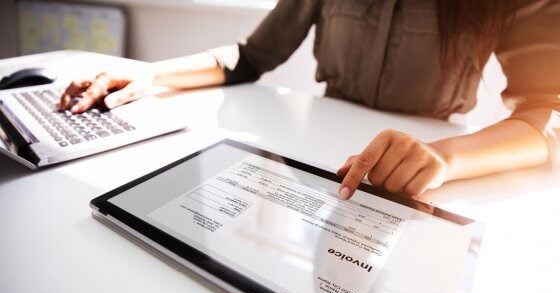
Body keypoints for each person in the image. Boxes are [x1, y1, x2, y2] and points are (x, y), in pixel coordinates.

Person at [58, 0, 560, 200]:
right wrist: (152, 73)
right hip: (325, 169)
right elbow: (251, 57)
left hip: (425, 182)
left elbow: (547, 112)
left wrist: (444, 159)